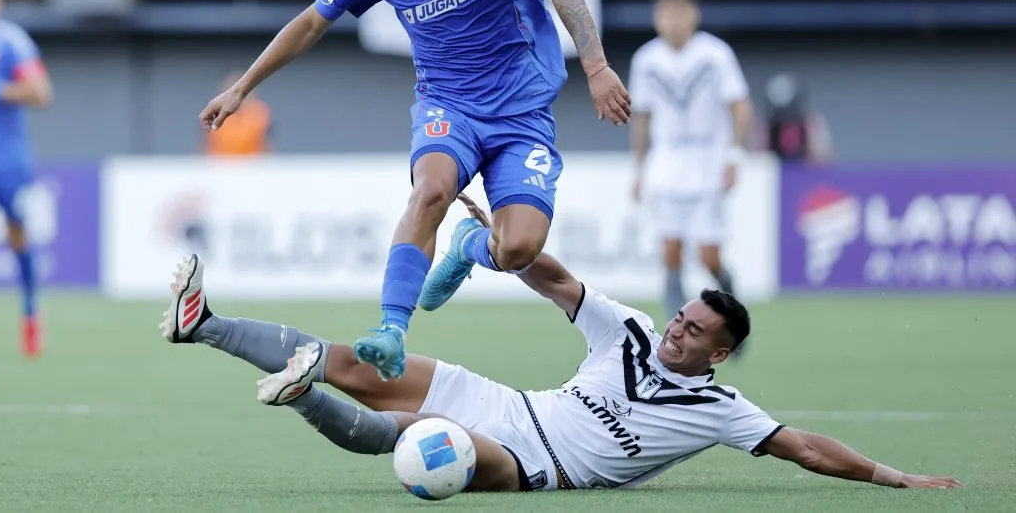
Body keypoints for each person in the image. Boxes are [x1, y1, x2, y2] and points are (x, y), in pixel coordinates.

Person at [160, 193, 962, 493]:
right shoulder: (630, 329)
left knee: (401, 438)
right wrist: (502, 242)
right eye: (679, 316)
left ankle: (301, 397)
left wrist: (889, 474)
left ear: (718, 353)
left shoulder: (721, 408)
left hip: (536, 463)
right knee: (354, 362)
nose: (675, 328)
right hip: (509, 403)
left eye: (693, 330)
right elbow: (556, 279)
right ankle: (205, 324)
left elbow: (805, 446)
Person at [198, 0, 631, 382]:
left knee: (518, 248)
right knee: (430, 190)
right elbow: (310, 23)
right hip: (447, 107)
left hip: (520, 114)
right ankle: (391, 330)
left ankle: (472, 245)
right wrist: (243, 88)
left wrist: (597, 68)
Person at [629, 0, 752, 326]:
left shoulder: (715, 55)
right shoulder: (646, 59)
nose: (672, 19)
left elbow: (741, 106)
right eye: (665, 11)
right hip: (666, 164)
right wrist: (639, 170)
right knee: (670, 251)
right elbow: (642, 117)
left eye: (679, 11)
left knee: (708, 255)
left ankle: (732, 315)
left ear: (694, 14)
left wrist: (734, 156)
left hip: (708, 163)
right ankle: (677, 333)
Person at [0, 0, 55, 357]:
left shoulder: (11, 41)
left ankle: (31, 313)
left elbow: (41, 91)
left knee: (18, 233)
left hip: (6, 161)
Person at [203, 72, 271, 157]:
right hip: (221, 162)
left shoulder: (259, 113)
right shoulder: (213, 113)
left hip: (252, 162)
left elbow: (266, 143)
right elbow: (205, 144)